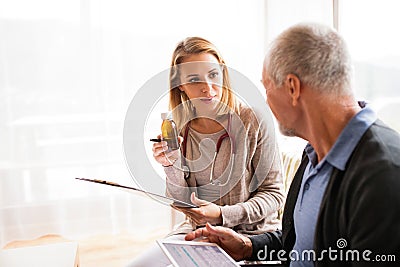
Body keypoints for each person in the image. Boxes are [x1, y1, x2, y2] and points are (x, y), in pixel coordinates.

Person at [185, 23, 400, 266]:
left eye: (266, 87)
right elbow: (300, 245)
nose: (266, 101)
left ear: (292, 88)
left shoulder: (384, 175)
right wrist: (247, 246)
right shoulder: (313, 155)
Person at [127, 37, 285, 266]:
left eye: (213, 75)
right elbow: (181, 202)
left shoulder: (253, 120)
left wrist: (222, 214)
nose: (208, 88)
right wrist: (171, 166)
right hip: (198, 234)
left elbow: (274, 195)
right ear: (179, 84)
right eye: (194, 79)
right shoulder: (178, 126)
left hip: (252, 237)